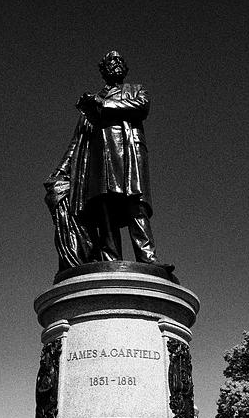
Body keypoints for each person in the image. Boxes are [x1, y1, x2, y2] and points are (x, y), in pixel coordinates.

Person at [45, 51, 162, 267]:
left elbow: (141, 107)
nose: (116, 64)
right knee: (105, 210)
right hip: (100, 162)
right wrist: (61, 171)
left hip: (128, 155)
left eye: (119, 60)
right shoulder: (90, 108)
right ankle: (111, 260)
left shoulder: (134, 90)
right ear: (104, 70)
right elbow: (76, 141)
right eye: (111, 62)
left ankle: (149, 259)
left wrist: (101, 103)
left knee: (135, 205)